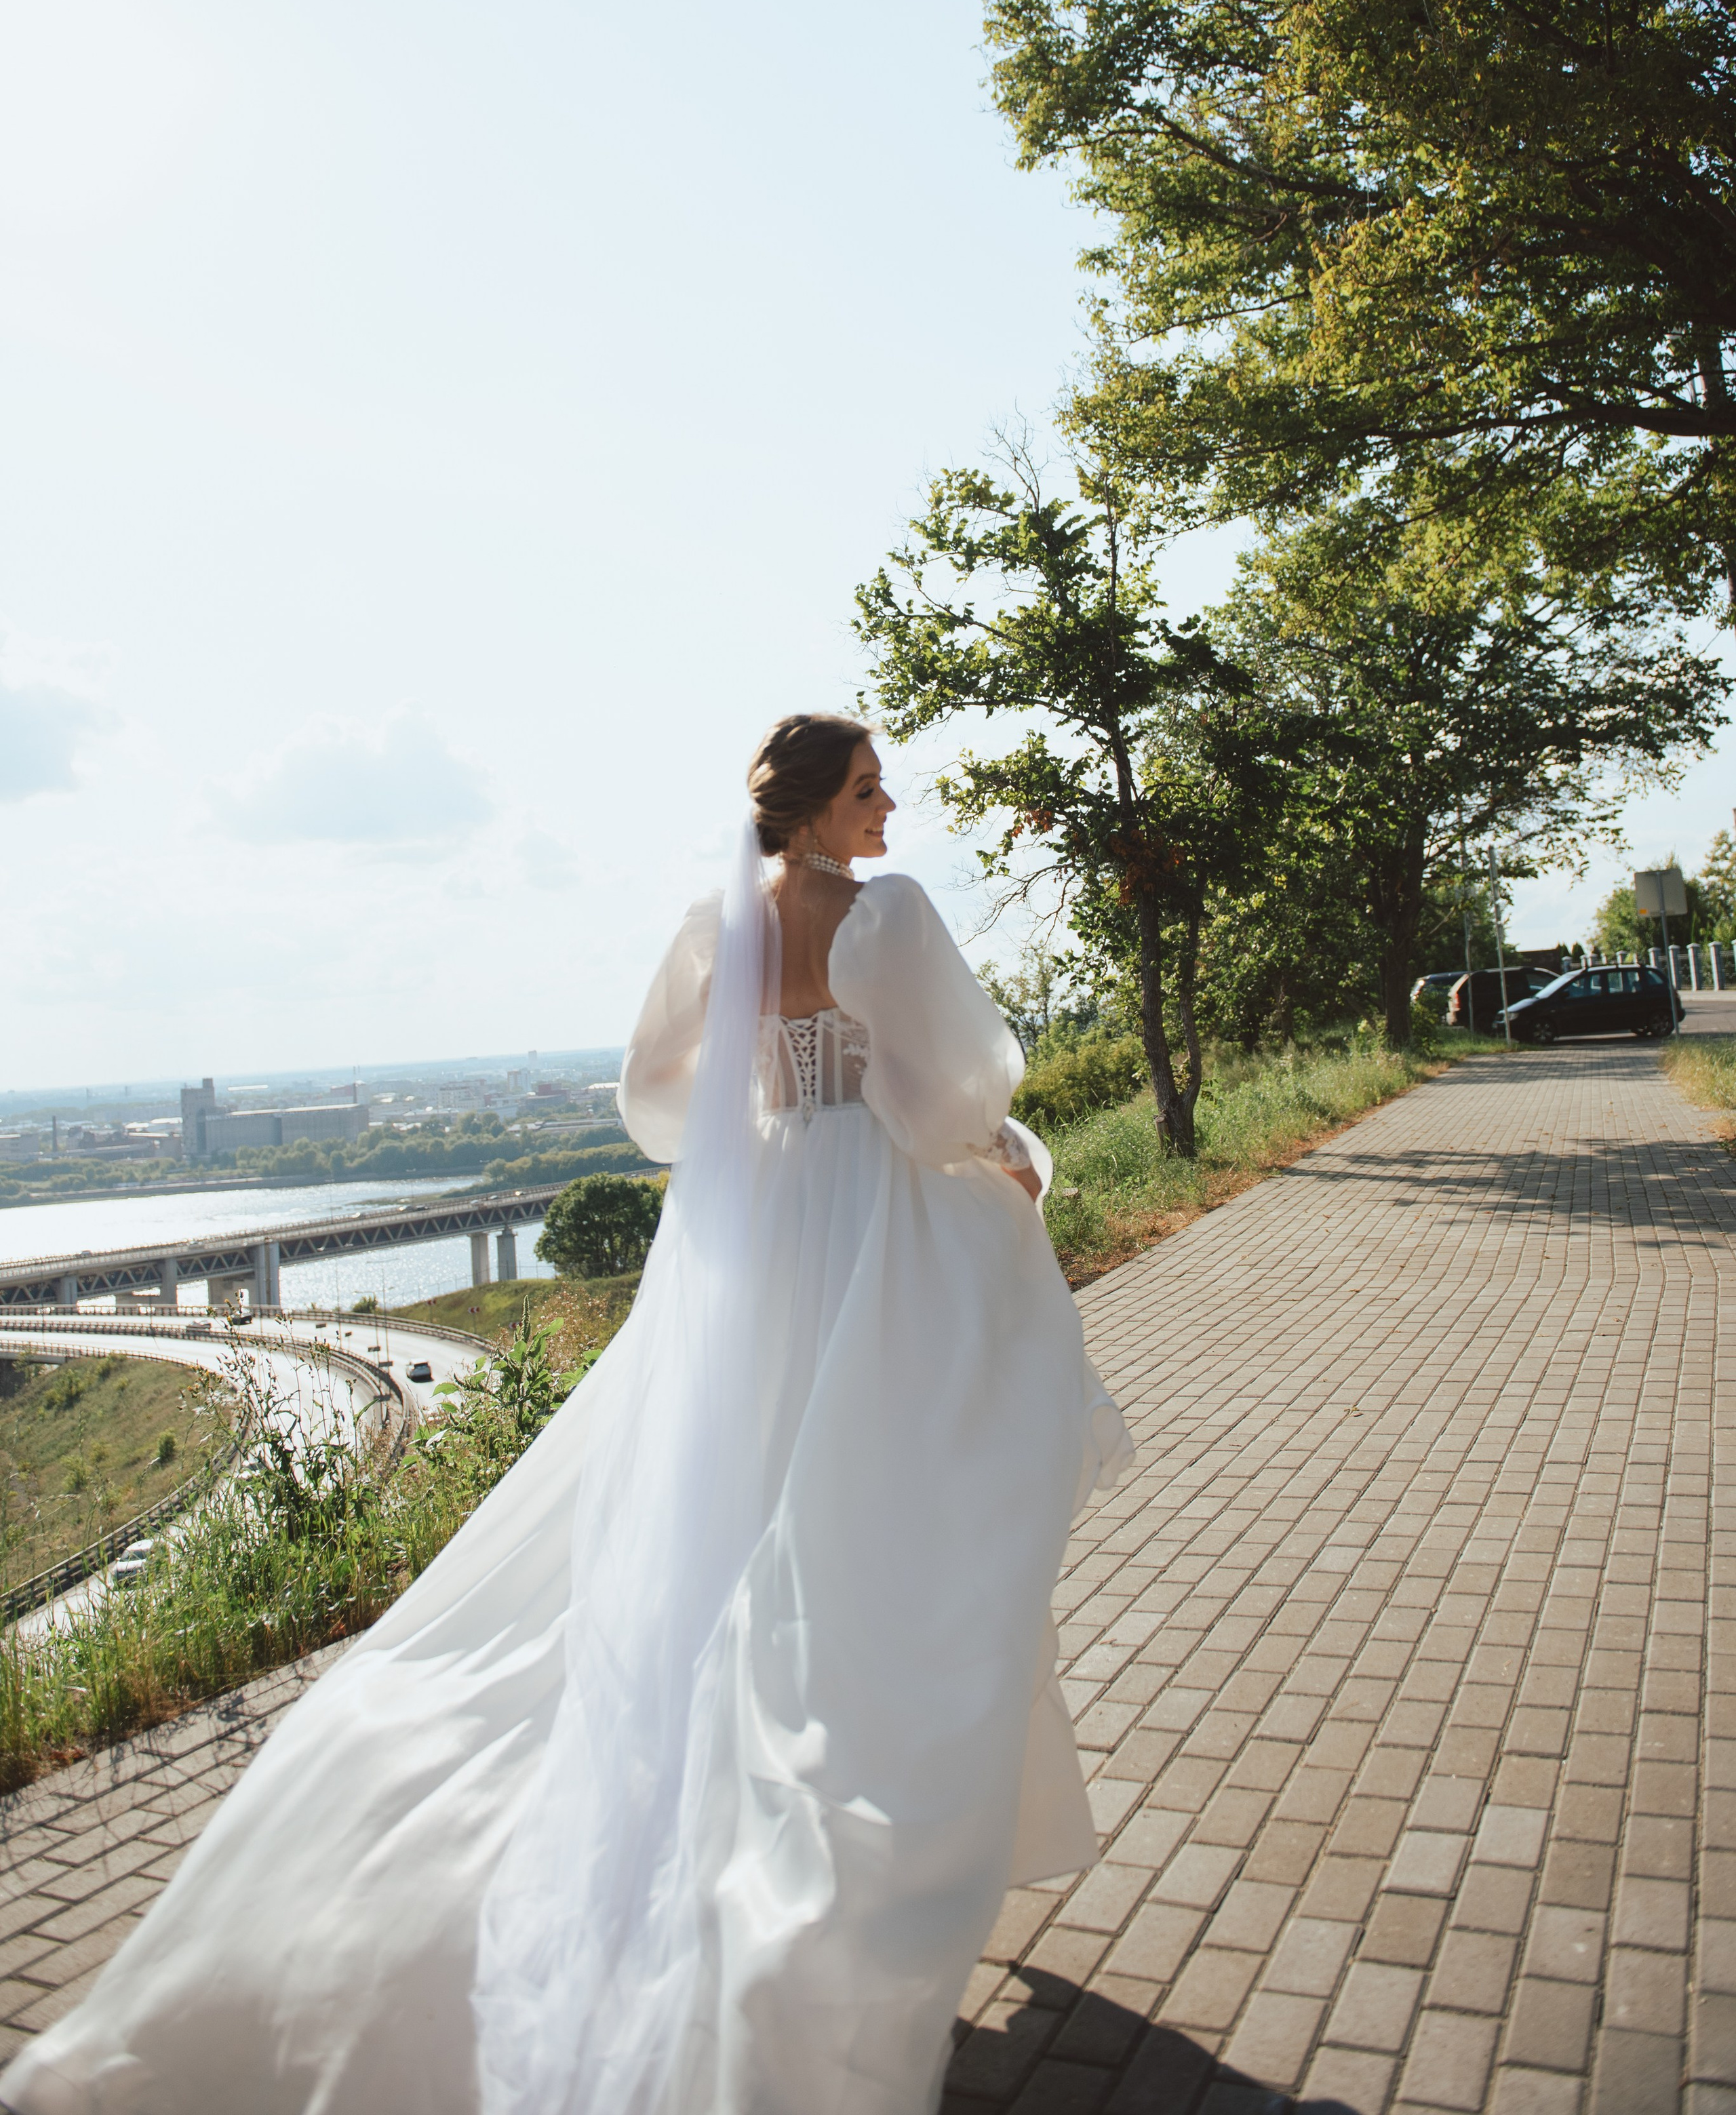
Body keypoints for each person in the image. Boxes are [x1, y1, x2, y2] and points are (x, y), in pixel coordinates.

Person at [3, 713, 1132, 2115]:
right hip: (861, 1234)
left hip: (753, 1232)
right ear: (811, 810)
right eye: (863, 786)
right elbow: (938, 1100)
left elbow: (656, 1099)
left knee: (725, 1501)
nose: (885, 805)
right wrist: (1005, 1162)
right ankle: (846, 1836)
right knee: (876, 1521)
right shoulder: (883, 914)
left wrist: (770, 1104)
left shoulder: (711, 925)